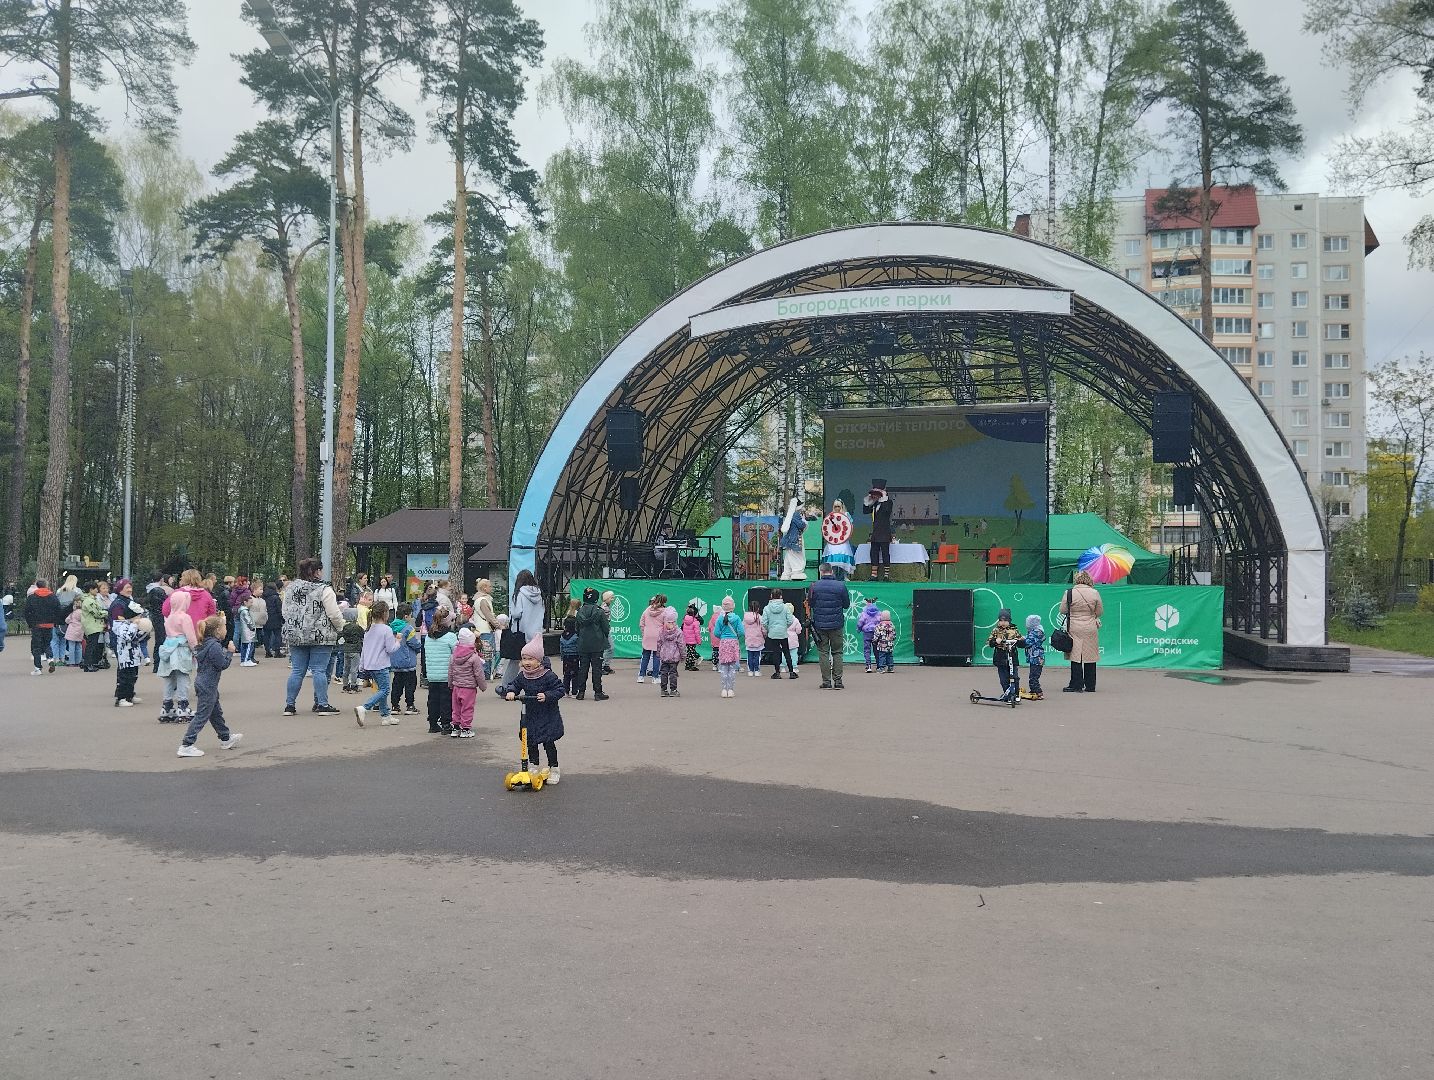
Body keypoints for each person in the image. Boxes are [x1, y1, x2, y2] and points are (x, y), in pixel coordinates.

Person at [281, 558, 345, 716]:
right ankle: (322, 705)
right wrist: (341, 627)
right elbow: (333, 613)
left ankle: (290, 705)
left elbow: (285, 611)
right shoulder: (324, 589)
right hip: (320, 635)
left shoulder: (290, 588)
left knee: (297, 671)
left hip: (296, 634)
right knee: (319, 670)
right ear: (317, 571)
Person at [496, 637, 565, 782]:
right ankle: (533, 764)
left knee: (548, 742)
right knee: (530, 740)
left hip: (547, 714)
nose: (527, 662)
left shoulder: (548, 675)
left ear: (539, 660)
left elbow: (560, 689)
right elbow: (514, 684)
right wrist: (511, 691)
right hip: (530, 714)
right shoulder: (523, 675)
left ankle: (554, 767)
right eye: (524, 659)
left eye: (531, 659)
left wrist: (547, 695)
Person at [177, 615, 242, 758]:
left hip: (205, 683)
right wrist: (230, 652)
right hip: (207, 684)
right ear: (218, 630)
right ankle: (187, 744)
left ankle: (225, 738)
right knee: (202, 715)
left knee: (215, 713)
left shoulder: (206, 644)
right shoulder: (214, 646)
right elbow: (222, 664)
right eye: (224, 627)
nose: (226, 629)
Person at [354, 599, 401, 728]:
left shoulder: (369, 629)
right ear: (385, 614)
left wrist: (362, 665)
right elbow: (390, 649)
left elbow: (364, 649)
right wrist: (398, 641)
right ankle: (365, 707)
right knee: (385, 690)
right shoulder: (386, 629)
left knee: (381, 689)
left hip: (370, 665)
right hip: (381, 665)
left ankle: (386, 715)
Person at [158, 589, 198, 724]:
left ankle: (167, 707)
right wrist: (196, 650)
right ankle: (183, 706)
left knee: (169, 680)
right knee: (183, 679)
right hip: (181, 651)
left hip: (168, 649)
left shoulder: (169, 617)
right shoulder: (184, 617)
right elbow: (190, 636)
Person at [1060, 570, 1103, 693]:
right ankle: (1090, 685)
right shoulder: (1095, 593)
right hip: (1090, 627)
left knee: (1075, 655)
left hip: (1074, 626)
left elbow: (1063, 610)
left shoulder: (1069, 593)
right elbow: (1099, 612)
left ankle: (1076, 684)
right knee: (1090, 656)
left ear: (1076, 580)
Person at [501, 569, 546, 686]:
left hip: (521, 632)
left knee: (515, 659)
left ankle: (506, 685)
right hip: (536, 632)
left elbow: (516, 614)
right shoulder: (540, 594)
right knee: (536, 659)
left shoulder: (519, 594)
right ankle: (538, 683)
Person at [809, 564, 851, 690]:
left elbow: (810, 603)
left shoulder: (814, 586)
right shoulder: (841, 586)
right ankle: (838, 681)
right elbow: (846, 605)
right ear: (831, 571)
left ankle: (826, 681)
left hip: (820, 624)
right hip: (837, 624)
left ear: (820, 571)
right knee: (837, 652)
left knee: (823, 653)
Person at [448, 627, 489, 738]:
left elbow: (450, 672)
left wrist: (450, 683)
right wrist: (483, 686)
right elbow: (478, 673)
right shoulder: (474, 657)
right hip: (469, 688)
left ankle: (455, 727)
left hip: (456, 686)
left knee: (456, 708)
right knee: (467, 708)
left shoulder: (454, 655)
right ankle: (465, 728)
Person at [423, 613, 458, 734]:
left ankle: (433, 724)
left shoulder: (428, 636)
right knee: (446, 700)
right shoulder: (450, 636)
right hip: (446, 674)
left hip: (432, 674)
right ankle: (446, 724)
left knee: (433, 699)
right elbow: (457, 653)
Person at [574, 587, 610, 702]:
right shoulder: (599, 611)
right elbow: (606, 628)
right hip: (597, 644)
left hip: (583, 644)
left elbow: (577, 629)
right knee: (597, 669)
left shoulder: (579, 612)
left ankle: (581, 692)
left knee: (583, 668)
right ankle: (598, 693)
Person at [388, 602, 422, 715]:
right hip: (408, 662)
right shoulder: (408, 629)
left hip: (395, 660)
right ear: (406, 616)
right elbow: (414, 643)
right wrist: (419, 648)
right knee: (410, 684)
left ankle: (394, 705)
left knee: (397, 683)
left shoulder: (390, 627)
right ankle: (410, 705)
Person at [22, 579, 61, 675]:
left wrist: (30, 623)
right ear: (46, 585)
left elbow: (27, 611)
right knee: (47, 643)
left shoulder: (32, 597)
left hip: (36, 624)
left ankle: (37, 668)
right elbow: (58, 610)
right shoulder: (53, 597)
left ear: (37, 586)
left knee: (36, 647)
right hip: (49, 624)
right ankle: (50, 659)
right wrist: (55, 622)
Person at [112, 616, 151, 708]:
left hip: (134, 657)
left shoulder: (132, 625)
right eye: (137, 615)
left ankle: (130, 695)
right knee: (125, 678)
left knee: (133, 677)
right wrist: (134, 625)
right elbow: (128, 637)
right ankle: (121, 698)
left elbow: (137, 639)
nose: (139, 617)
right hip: (125, 658)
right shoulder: (122, 626)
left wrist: (144, 631)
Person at [987, 608, 1022, 701]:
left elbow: (1021, 642)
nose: (1003, 623)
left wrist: (1021, 641)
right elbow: (989, 642)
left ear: (1009, 621)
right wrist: (995, 641)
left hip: (1012, 655)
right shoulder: (995, 630)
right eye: (1001, 620)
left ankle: (1016, 694)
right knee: (1003, 678)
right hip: (1000, 656)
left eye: (1005, 620)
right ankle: (1008, 694)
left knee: (1015, 677)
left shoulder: (1014, 630)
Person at [711, 596, 743, 698]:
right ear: (733, 606)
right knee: (732, 668)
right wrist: (735, 636)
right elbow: (742, 631)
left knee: (724, 667)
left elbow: (716, 632)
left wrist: (723, 636)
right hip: (733, 643)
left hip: (724, 643)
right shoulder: (737, 618)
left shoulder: (720, 618)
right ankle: (731, 689)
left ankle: (724, 689)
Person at [761, 588, 796, 680]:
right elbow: (790, 620)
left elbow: (764, 622)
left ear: (771, 596)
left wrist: (770, 628)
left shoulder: (767, 608)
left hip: (773, 633)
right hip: (783, 632)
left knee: (776, 653)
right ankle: (792, 672)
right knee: (786, 651)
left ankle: (777, 672)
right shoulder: (785, 607)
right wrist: (785, 627)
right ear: (781, 596)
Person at [863, 486, 894, 582]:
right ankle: (874, 575)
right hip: (875, 533)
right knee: (873, 553)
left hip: (884, 533)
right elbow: (865, 511)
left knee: (885, 553)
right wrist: (869, 499)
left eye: (877, 494)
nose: (875, 496)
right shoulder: (874, 504)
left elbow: (886, 511)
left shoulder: (888, 502)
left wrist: (884, 497)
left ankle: (886, 575)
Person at [821, 500, 855, 580]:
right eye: (835, 506)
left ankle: (844, 575)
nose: (837, 508)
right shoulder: (831, 516)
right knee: (832, 557)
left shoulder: (846, 515)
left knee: (844, 555)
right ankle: (833, 575)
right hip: (833, 542)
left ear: (842, 507)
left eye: (838, 506)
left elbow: (850, 527)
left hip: (843, 541)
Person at [79, 581, 108, 672]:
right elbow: (97, 613)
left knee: (91, 646)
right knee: (91, 646)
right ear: (91, 589)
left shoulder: (90, 599)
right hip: (92, 625)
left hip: (92, 625)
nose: (97, 590)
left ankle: (88, 664)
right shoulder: (89, 601)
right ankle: (88, 665)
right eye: (96, 589)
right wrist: (107, 612)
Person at [778, 498, 810, 580]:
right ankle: (797, 572)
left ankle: (786, 573)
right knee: (797, 556)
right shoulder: (796, 515)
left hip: (789, 540)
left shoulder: (790, 515)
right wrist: (805, 522)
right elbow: (801, 525)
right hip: (795, 539)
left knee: (789, 556)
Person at [637, 593, 665, 684]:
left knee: (645, 656)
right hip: (658, 636)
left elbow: (641, 623)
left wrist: (644, 632)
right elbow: (667, 625)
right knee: (657, 657)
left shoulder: (647, 609)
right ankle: (655, 677)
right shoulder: (665, 612)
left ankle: (641, 676)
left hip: (647, 635)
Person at [472, 578, 498, 679]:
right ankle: (485, 673)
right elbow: (489, 616)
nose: (491, 588)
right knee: (487, 652)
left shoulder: (478, 599)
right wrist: (498, 625)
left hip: (479, 628)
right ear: (484, 588)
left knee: (482, 652)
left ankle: (483, 673)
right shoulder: (483, 600)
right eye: (490, 586)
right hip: (485, 629)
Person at [54, 573, 80, 662]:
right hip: (73, 616)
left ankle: (58, 658)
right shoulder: (77, 591)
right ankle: (74, 659)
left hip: (60, 616)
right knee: (73, 640)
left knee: (58, 639)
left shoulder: (59, 591)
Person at [657, 606, 683, 698]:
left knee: (663, 672)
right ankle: (673, 690)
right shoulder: (678, 632)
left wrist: (658, 653)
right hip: (674, 656)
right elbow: (681, 644)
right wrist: (683, 655)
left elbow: (659, 643)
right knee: (673, 673)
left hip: (664, 656)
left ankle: (663, 690)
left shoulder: (661, 631)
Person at [339, 607, 365, 693]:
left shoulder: (344, 627)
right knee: (354, 669)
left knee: (346, 668)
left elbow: (340, 636)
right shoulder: (357, 627)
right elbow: (363, 635)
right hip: (355, 649)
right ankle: (353, 685)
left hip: (346, 649)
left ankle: (345, 685)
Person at [1020, 614, 1046, 700]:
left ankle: (1038, 692)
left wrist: (1020, 640)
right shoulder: (1035, 631)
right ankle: (1033, 690)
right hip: (1035, 658)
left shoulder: (1036, 632)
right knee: (1033, 675)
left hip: (1036, 658)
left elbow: (1028, 642)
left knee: (1033, 676)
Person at [559, 616, 581, 696]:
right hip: (574, 656)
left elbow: (561, 646)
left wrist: (562, 656)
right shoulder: (576, 635)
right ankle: (574, 692)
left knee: (566, 674)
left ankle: (566, 691)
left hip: (566, 656)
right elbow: (579, 646)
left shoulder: (563, 635)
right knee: (575, 674)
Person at [857, 597, 881, 673]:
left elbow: (860, 622)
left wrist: (859, 629)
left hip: (867, 633)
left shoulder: (864, 613)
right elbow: (881, 622)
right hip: (876, 633)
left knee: (867, 649)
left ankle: (868, 666)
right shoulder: (879, 613)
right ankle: (878, 666)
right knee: (876, 649)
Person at [263, 579, 284, 658]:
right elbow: (279, 609)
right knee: (277, 635)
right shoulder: (276, 597)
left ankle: (267, 651)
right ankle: (277, 651)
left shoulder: (263, 596)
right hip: (275, 618)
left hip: (266, 617)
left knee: (267, 635)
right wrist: (282, 618)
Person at [742, 607, 764, 677]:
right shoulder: (760, 617)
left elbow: (743, 628)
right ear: (758, 608)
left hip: (748, 639)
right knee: (757, 656)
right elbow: (763, 628)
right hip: (758, 639)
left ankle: (750, 671)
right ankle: (757, 670)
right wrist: (764, 634)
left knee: (750, 656)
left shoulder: (745, 618)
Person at [681, 602, 704, 671]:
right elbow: (697, 633)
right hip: (692, 640)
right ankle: (691, 666)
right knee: (692, 653)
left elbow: (683, 630)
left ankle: (687, 665)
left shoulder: (685, 621)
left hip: (686, 640)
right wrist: (699, 641)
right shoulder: (695, 622)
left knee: (689, 652)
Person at [63, 598, 85, 666]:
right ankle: (78, 661)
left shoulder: (73, 613)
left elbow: (67, 620)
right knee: (79, 646)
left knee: (71, 647)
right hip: (80, 630)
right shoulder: (82, 612)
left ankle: (72, 662)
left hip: (72, 631)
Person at [785, 602, 802, 671]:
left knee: (784, 653)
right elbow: (799, 630)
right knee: (794, 654)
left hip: (784, 637)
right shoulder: (795, 620)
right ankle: (794, 667)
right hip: (793, 639)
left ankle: (783, 666)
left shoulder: (782, 620)